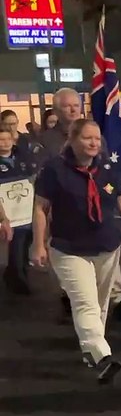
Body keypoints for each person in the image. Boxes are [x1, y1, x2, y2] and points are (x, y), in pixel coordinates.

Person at [32, 119, 121, 383]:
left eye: (97, 139)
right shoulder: (55, 170)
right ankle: (102, 356)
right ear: (73, 139)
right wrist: (39, 244)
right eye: (87, 138)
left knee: (100, 304)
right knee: (84, 302)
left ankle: (91, 349)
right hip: (69, 248)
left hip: (107, 246)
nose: (94, 143)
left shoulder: (106, 167)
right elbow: (40, 208)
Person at [1, 111, 41, 294]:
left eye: (7, 140)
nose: (5, 143)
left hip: (24, 209)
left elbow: (32, 175)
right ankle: (18, 280)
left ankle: (16, 273)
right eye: (1, 140)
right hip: (5, 212)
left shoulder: (23, 155)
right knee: (14, 246)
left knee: (24, 243)